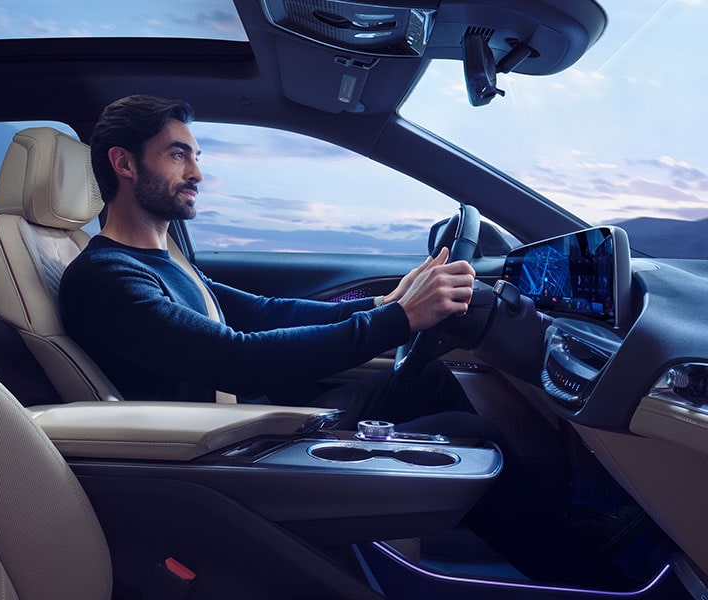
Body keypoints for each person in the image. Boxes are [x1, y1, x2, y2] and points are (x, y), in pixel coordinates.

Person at [59, 95, 619, 585]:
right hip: (218, 454)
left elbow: (264, 312)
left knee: (426, 377)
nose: (198, 172)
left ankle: (569, 537)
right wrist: (400, 320)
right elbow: (233, 360)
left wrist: (383, 305)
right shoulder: (107, 277)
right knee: (466, 433)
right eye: (177, 154)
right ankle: (595, 577)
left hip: (244, 423)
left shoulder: (160, 260)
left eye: (196, 155)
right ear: (124, 163)